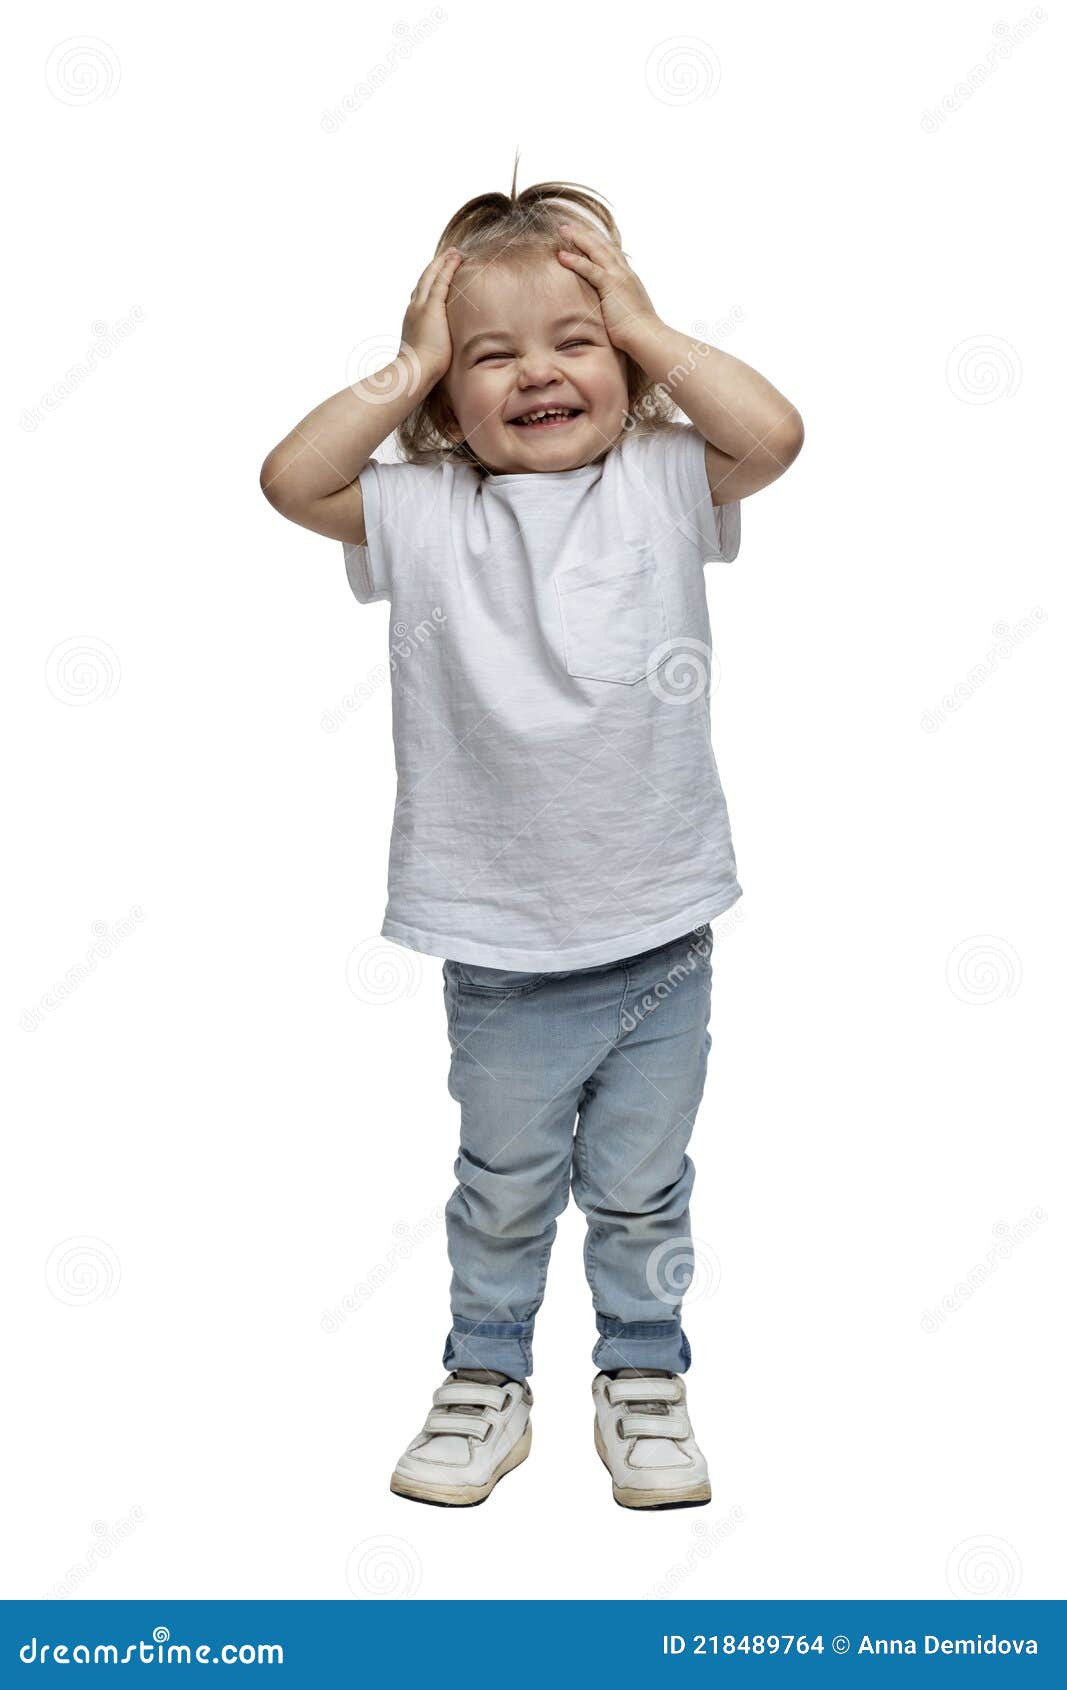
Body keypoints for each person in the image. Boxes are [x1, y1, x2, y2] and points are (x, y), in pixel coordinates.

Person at [260, 166, 803, 1510]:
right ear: (449, 393)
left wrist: (650, 324)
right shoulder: (427, 511)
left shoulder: (668, 480)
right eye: (491, 355)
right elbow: (289, 478)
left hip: (662, 927)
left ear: (624, 356)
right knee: (501, 1186)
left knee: (638, 1190)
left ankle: (642, 1376)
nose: (540, 373)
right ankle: (486, 1379)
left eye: (577, 341)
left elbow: (778, 435)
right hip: (500, 943)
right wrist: (407, 366)